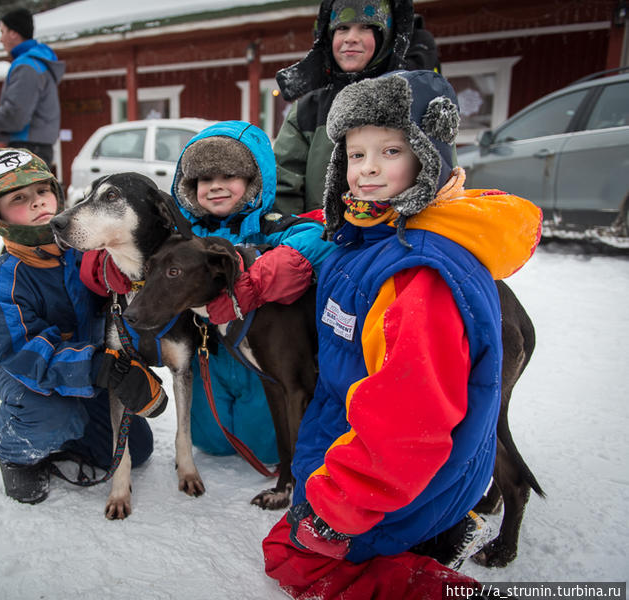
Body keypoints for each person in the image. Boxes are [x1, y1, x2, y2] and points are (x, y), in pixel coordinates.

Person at [262, 70, 543, 599]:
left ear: (427, 156)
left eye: (389, 151)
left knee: (292, 560)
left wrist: (338, 509)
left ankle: (429, 565)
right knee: (291, 537)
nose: (367, 169)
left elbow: (409, 422)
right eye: (355, 154)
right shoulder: (368, 239)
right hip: (359, 461)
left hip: (399, 484)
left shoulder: (416, 276)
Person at [82, 121, 335, 467]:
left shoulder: (272, 226)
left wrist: (260, 277)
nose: (215, 186)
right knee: (210, 442)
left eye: (229, 175)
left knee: (264, 448)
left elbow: (318, 236)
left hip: (257, 354)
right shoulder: (181, 234)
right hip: (208, 354)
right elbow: (124, 244)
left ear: (252, 180)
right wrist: (108, 269)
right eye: (203, 179)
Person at [0, 147, 154, 504]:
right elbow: (22, 352)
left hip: (88, 373)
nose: (37, 202)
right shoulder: (4, 277)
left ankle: (68, 432)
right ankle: (15, 451)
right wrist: (98, 367)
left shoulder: (85, 251)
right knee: (54, 416)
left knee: (139, 448)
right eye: (19, 198)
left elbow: (119, 300)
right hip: (27, 377)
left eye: (42, 191)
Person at [272, 0, 415, 215]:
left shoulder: (412, 100)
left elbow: (437, 179)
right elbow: (283, 187)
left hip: (395, 237)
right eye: (342, 28)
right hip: (320, 241)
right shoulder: (308, 109)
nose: (350, 38)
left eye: (366, 27)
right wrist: (301, 234)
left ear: (386, 37)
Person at [0, 8, 64, 170]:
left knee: (22, 196)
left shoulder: (27, 66)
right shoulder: (35, 62)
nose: (1, 39)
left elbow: (16, 115)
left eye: (2, 32)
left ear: (14, 33)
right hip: (33, 148)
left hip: (26, 150)